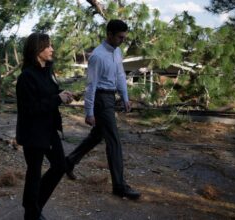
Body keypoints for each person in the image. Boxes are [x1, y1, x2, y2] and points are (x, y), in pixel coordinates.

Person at [65, 19, 141, 200]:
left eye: (124, 37)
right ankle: (119, 186)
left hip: (110, 97)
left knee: (97, 136)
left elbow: (121, 75)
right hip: (100, 99)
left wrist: (125, 97)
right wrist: (88, 112)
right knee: (114, 141)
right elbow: (90, 85)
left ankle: (68, 162)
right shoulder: (98, 56)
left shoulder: (117, 51)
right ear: (109, 35)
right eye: (120, 37)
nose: (123, 40)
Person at [16, 33, 73, 220]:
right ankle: (32, 212)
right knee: (34, 172)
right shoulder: (26, 77)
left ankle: (33, 205)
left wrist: (63, 95)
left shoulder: (49, 71)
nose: (52, 49)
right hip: (32, 131)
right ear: (37, 49)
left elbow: (51, 94)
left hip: (49, 129)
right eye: (48, 46)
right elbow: (30, 108)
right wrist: (57, 99)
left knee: (60, 166)